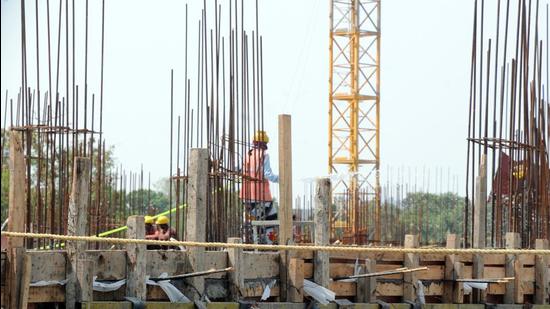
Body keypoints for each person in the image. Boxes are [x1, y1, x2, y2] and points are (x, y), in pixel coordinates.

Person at [240, 130, 279, 244]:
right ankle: (269, 246)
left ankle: (248, 244)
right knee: (270, 221)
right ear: (264, 144)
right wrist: (282, 178)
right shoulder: (264, 156)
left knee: (250, 222)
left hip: (246, 196)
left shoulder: (248, 155)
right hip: (262, 197)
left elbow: (241, 170)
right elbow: (268, 174)